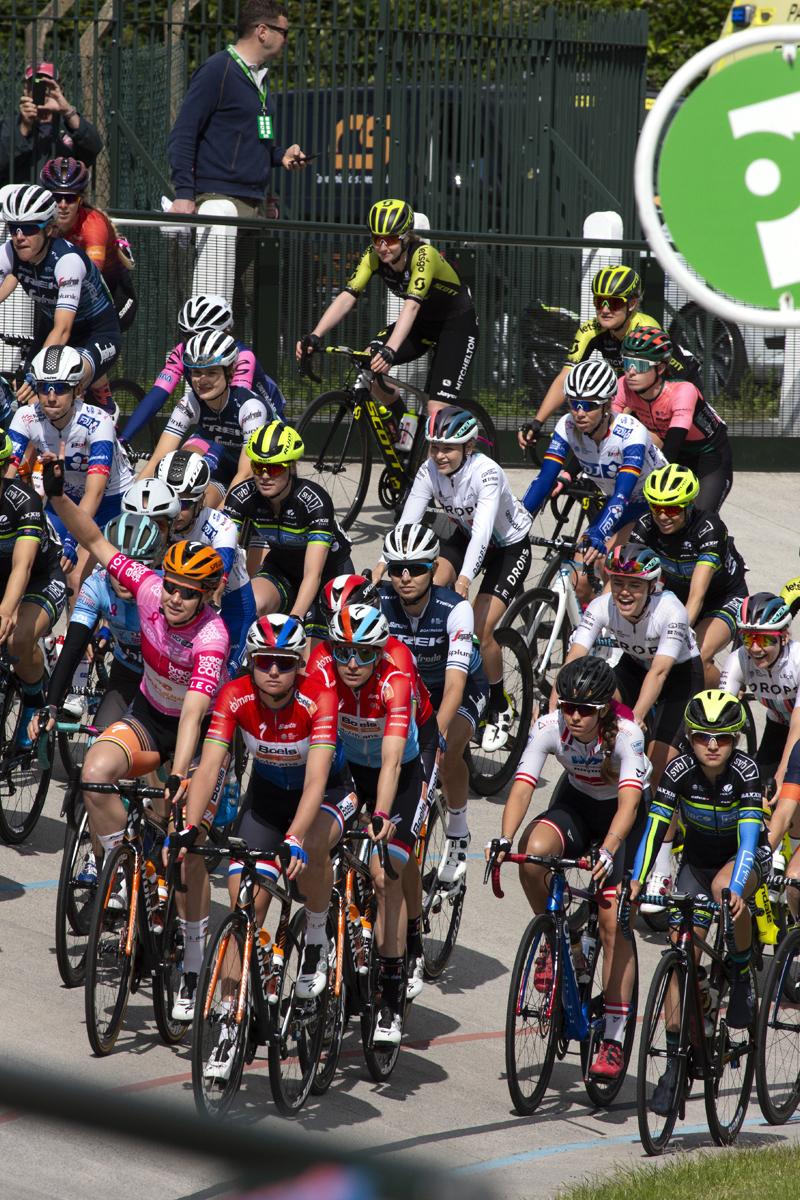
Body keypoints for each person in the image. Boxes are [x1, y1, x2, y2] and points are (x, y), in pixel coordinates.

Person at [42, 455, 229, 1017]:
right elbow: (96, 540)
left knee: (189, 845)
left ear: (207, 596)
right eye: (171, 587)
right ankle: (122, 867)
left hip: (192, 734)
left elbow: (195, 715)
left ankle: (194, 957)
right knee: (95, 772)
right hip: (149, 712)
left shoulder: (213, 636)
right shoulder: (146, 590)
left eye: (187, 592)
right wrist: (56, 497)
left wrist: (178, 775)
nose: (173, 598)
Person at [167, 615, 359, 1059]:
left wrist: (293, 837)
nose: (274, 671)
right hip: (268, 799)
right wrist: (189, 829)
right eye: (265, 661)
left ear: (299, 665)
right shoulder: (234, 695)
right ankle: (232, 1020)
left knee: (309, 848)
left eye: (284, 663)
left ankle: (315, 937)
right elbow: (210, 765)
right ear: (251, 661)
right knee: (243, 907)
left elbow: (314, 783)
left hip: (327, 792)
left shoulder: (319, 698)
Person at [488, 657, 649, 1080]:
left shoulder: (627, 734)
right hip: (577, 803)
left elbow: (630, 804)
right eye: (567, 706)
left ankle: (613, 1037)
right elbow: (523, 785)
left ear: (603, 710)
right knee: (534, 853)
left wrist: (611, 850)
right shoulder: (549, 726)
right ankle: (561, 941)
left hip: (623, 819)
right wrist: (506, 838)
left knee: (614, 921)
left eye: (584, 710)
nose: (573, 716)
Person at [372, 406, 531, 752]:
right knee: (428, 586)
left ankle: (499, 703)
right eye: (434, 447)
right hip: (462, 535)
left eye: (449, 448)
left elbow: (484, 532)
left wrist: (464, 580)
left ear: (468, 448)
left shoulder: (487, 472)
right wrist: (382, 564)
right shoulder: (430, 469)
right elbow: (409, 522)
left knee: (479, 626)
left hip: (505, 547)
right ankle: (442, 671)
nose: (439, 455)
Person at [307, 603, 428, 1045]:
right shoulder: (322, 675)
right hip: (350, 772)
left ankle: (391, 1001)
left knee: (383, 876)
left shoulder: (394, 681)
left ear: (378, 652)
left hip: (402, 774)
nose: (352, 663)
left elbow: (394, 759)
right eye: (343, 653)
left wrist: (381, 813)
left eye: (362, 653)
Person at [629, 691, 769, 1071]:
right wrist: (638, 881)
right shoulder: (678, 771)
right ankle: (674, 1065)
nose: (711, 745)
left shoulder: (746, 772)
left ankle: (741, 973)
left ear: (735, 739)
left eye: (722, 737)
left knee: (725, 893)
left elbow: (748, 841)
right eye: (701, 736)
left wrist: (737, 890)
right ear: (689, 738)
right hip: (697, 861)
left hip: (742, 857)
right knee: (682, 955)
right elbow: (655, 827)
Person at [31, 512, 163, 885]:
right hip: (126, 677)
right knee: (97, 752)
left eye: (136, 566)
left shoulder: (164, 594)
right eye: (118, 562)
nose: (124, 575)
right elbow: (72, 648)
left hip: (167, 687)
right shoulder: (98, 583)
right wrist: (51, 705)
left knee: (158, 783)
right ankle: (98, 856)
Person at [297, 198, 479, 431]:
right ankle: (403, 428)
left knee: (435, 409)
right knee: (368, 365)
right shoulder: (373, 257)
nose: (382, 247)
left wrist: (391, 350)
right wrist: (315, 335)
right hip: (422, 324)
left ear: (405, 237)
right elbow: (347, 297)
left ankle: (463, 455)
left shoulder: (424, 255)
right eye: (376, 239)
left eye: (391, 239)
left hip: (456, 326)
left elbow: (412, 306)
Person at [379, 523, 489, 882]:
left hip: (458, 687)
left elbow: (456, 686)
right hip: (408, 689)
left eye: (416, 568)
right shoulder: (378, 603)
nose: (405, 577)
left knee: (447, 753)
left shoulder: (454, 609)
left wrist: (434, 738)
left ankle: (457, 833)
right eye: (396, 569)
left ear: (433, 568)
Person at [559, 544, 703, 797]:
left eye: (634, 585)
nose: (624, 593)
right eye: (617, 583)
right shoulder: (602, 606)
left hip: (679, 676)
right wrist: (557, 704)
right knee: (595, 701)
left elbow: (659, 672)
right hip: (634, 666)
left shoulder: (671, 611)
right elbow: (574, 657)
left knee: (658, 772)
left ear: (651, 586)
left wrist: (636, 716)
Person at [521, 359, 667, 603]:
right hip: (620, 504)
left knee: (614, 570)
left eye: (588, 405)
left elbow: (622, 494)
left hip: (652, 507)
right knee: (579, 579)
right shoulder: (567, 425)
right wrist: (519, 520)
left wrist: (599, 533)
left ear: (607, 405)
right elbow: (545, 478)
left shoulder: (631, 433)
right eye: (574, 403)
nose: (579, 412)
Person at [517, 266, 701, 453]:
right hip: (635, 388)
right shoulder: (590, 331)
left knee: (645, 443)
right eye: (599, 302)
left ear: (631, 304)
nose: (604, 310)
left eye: (613, 303)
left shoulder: (644, 329)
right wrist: (537, 422)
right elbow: (565, 378)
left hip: (676, 382)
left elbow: (647, 390)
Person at [8, 345, 133, 597]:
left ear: (77, 390)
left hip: (111, 501)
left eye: (61, 388)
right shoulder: (25, 416)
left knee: (76, 578)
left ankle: (81, 637)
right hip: (62, 500)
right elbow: (6, 475)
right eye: (44, 388)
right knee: (28, 562)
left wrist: (72, 540)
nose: (51, 397)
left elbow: (95, 493)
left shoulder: (99, 421)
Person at [224, 422, 354, 639]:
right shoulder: (242, 496)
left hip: (328, 574)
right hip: (282, 569)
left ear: (291, 467)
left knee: (305, 660)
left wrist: (294, 620)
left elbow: (314, 572)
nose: (265, 476)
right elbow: (224, 549)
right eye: (258, 467)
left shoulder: (314, 501)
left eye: (274, 468)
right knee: (248, 607)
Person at [0, 185, 120, 414]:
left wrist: (37, 376)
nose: (19, 236)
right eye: (13, 228)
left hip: (95, 333)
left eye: (29, 228)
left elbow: (64, 330)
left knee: (55, 383)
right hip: (50, 328)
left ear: (48, 229)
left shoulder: (68, 260)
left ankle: (104, 414)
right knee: (28, 406)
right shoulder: (9, 252)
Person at [630, 463, 747, 688]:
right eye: (656, 507)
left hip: (722, 598)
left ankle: (727, 701)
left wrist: (671, 636)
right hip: (677, 595)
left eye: (672, 509)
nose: (662, 516)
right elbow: (624, 575)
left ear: (689, 506)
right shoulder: (646, 524)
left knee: (696, 658)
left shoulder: (709, 528)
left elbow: (697, 597)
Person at [119, 294, 285, 449]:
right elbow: (157, 395)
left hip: (261, 418)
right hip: (218, 422)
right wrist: (123, 440)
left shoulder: (243, 356)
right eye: (187, 336)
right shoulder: (183, 350)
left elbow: (234, 408)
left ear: (225, 332)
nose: (194, 344)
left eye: (202, 336)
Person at [141, 330, 280, 505]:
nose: (202, 380)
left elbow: (246, 473)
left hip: (267, 472)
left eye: (212, 372)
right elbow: (158, 459)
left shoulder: (250, 407)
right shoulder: (190, 404)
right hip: (229, 466)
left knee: (229, 520)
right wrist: (135, 502)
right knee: (195, 505)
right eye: (197, 373)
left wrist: (221, 522)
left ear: (229, 374)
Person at [152, 450, 256, 675]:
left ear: (200, 501)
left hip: (230, 606)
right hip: (182, 601)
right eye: (170, 501)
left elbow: (216, 591)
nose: (176, 510)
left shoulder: (222, 527)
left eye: (185, 503)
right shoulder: (154, 521)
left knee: (219, 678)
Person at [614, 326, 732, 514]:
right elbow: (604, 430)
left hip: (707, 457)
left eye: (641, 364)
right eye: (627, 363)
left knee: (700, 519)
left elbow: (672, 446)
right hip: (668, 447)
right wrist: (569, 475)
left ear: (660, 368)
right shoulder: (623, 386)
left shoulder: (682, 391)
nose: (631, 372)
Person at [0, 431, 67, 744]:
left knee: (18, 638)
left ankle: (34, 699)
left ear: (3, 470)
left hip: (41, 577)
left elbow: (23, 566)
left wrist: (5, 610)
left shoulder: (24, 501)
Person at [39, 156, 137, 331]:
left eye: (70, 198)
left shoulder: (93, 224)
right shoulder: (44, 224)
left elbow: (92, 277)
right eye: (56, 197)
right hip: (68, 294)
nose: (62, 205)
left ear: (81, 198)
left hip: (113, 294)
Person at [720, 593, 800, 790]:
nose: (755, 648)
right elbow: (721, 713)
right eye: (748, 637)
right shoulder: (739, 659)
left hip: (797, 725)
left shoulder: (797, 661)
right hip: (778, 724)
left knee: (790, 789)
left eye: (764, 639)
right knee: (759, 791)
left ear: (784, 637)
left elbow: (798, 724)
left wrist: (783, 773)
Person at [0, 61, 102, 189]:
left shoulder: (68, 124)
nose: (44, 90)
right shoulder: (9, 125)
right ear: (26, 89)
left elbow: (94, 148)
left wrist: (67, 111)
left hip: (60, 203)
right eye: (37, 84)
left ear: (60, 89)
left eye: (48, 84)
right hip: (21, 203)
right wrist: (25, 127)